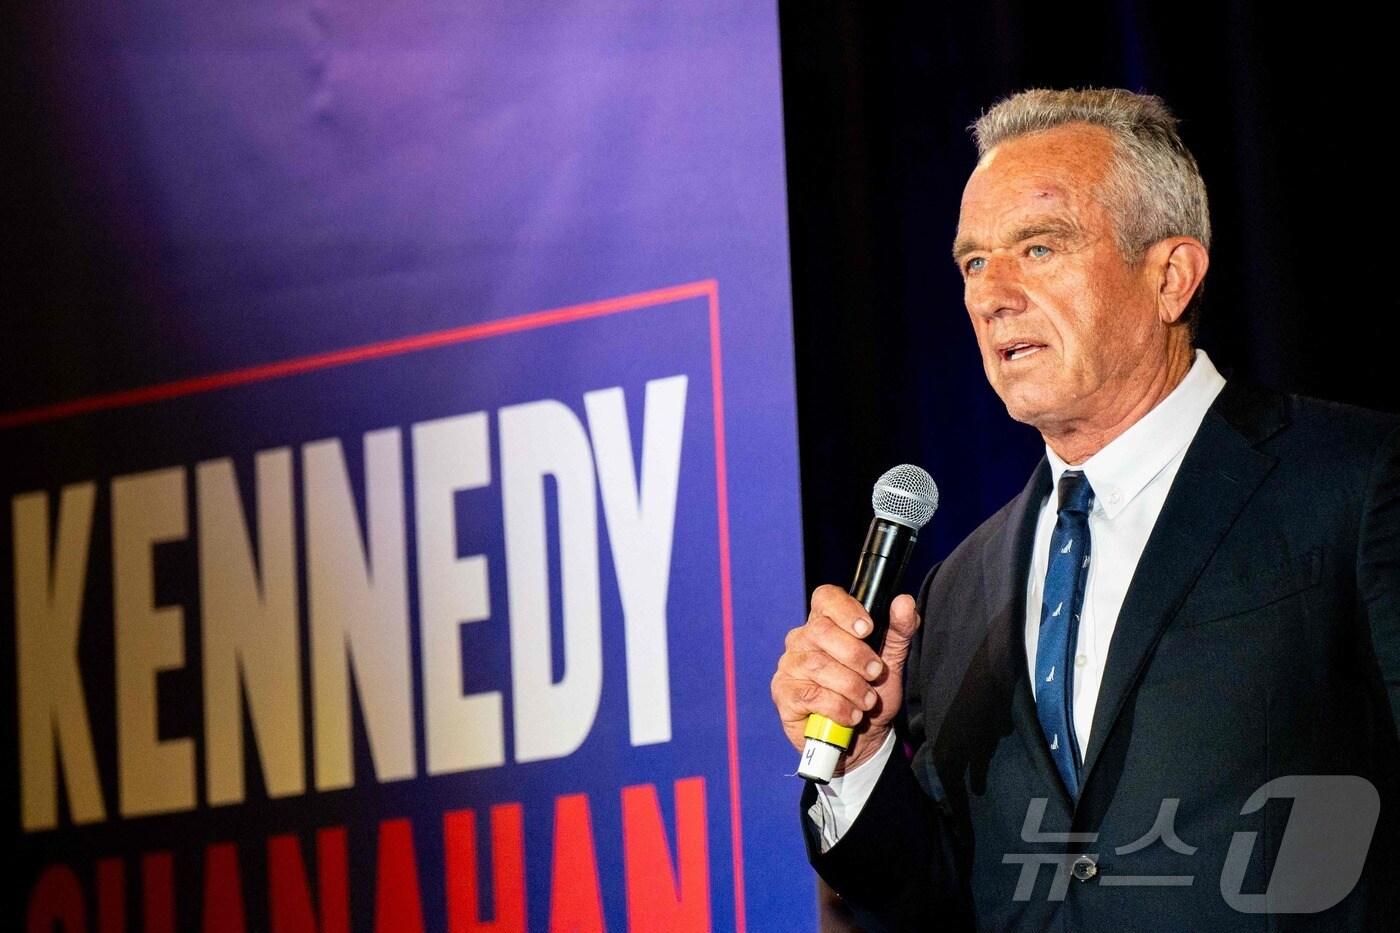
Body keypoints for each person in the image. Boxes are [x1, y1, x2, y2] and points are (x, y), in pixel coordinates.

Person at [770, 88, 1400, 931]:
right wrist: (863, 757)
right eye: (973, 263)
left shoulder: (1355, 481)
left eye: (1038, 247)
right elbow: (943, 897)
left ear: (1170, 277)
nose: (991, 295)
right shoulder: (956, 592)